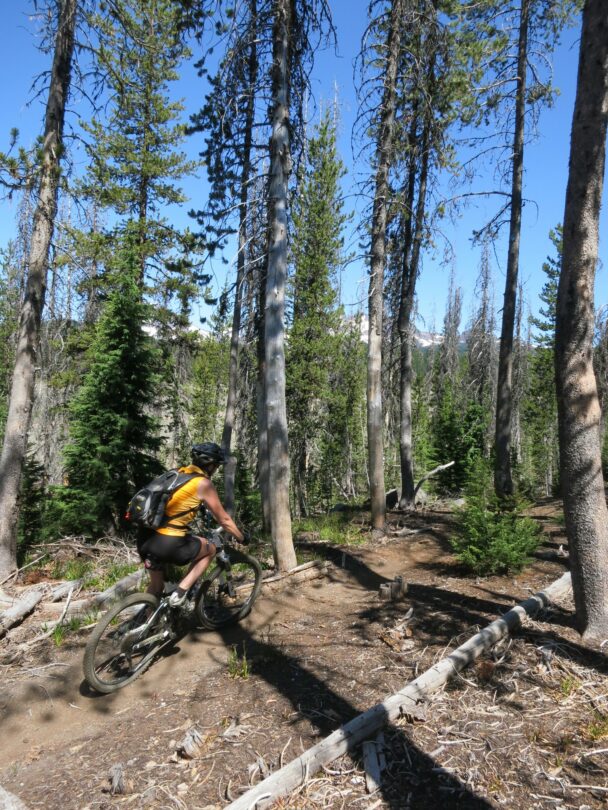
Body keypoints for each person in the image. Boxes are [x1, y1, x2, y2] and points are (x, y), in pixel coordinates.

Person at [136, 442, 246, 607]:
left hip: (144, 537)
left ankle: (149, 628)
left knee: (156, 586)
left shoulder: (176, 473)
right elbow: (224, 520)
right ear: (210, 465)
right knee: (210, 549)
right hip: (167, 542)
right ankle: (180, 594)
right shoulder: (203, 483)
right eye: (216, 466)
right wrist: (242, 538)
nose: (215, 469)